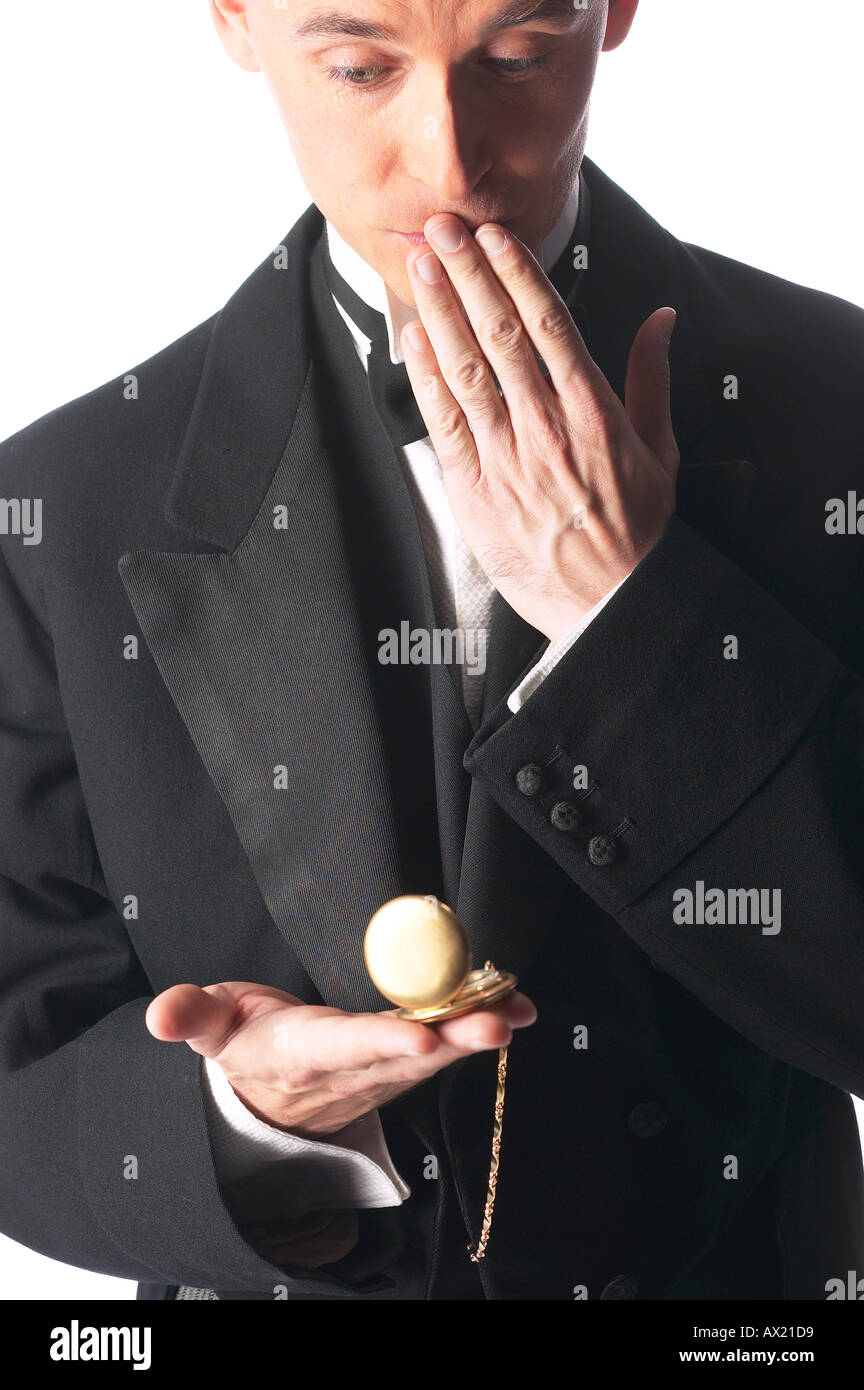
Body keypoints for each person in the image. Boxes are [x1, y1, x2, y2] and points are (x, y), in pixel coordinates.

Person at [1, 0, 863, 1302]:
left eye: (517, 56)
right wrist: (244, 1120)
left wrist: (632, 614)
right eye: (359, 66)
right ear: (235, 18)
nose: (451, 162)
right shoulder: (58, 503)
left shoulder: (839, 411)